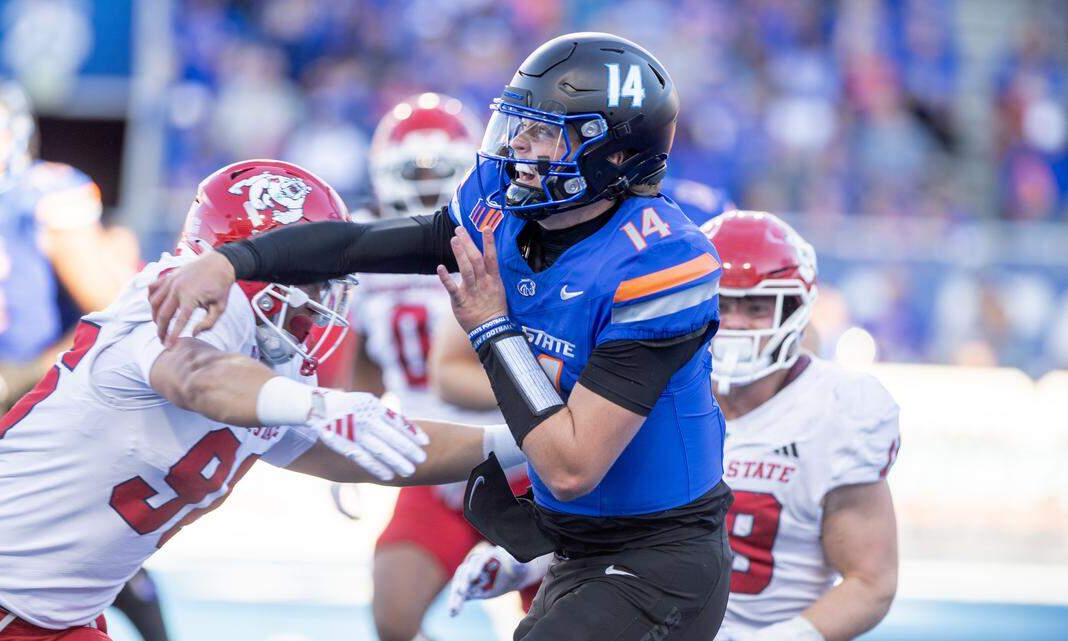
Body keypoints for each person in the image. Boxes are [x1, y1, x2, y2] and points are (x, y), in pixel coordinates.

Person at [149, 33, 732, 641]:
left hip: (661, 553)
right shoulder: (503, 213)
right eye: (517, 125)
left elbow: (570, 466)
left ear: (613, 153)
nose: (518, 146)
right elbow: (355, 244)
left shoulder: (659, 263)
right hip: (573, 542)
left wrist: (492, 328)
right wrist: (234, 260)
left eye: (544, 132)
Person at [0, 159, 512, 640]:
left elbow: (370, 452)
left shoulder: (264, 376)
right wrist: (316, 406)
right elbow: (195, 378)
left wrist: (521, 447)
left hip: (54, 615)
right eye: (308, 279)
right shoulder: (180, 298)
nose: (318, 303)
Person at [447, 211, 902, 641]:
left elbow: (870, 582)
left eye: (758, 308)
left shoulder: (836, 411)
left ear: (794, 312)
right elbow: (621, 524)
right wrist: (525, 563)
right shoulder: (636, 385)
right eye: (724, 303)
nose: (737, 324)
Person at [0, 70, 168, 640]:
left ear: (18, 140)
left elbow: (112, 316)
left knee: (80, 543)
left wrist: (30, 372)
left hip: (52, 396)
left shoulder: (45, 201)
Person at [347, 93, 536, 641]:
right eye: (412, 173)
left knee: (558, 622)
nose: (427, 188)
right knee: (393, 615)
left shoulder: (511, 236)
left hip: (530, 466)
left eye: (442, 173)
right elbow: (360, 360)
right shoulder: (367, 244)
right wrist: (345, 426)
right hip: (432, 461)